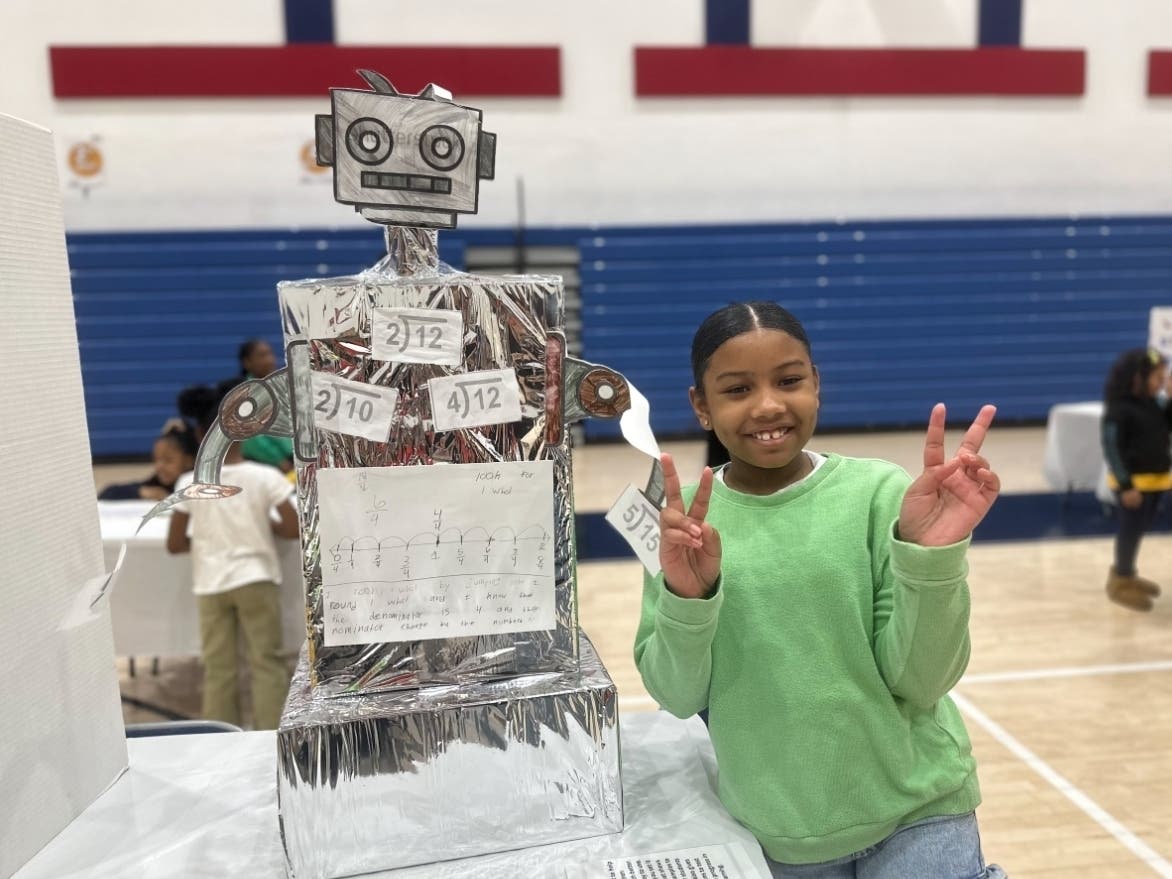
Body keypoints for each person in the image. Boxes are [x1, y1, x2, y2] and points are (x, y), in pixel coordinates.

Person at [634, 301, 1006, 878]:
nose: (768, 405)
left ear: (817, 384)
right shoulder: (685, 531)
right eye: (737, 390)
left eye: (789, 381)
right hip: (780, 831)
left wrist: (931, 559)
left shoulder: (879, 491)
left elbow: (923, 679)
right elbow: (679, 697)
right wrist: (688, 599)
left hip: (918, 807)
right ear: (701, 407)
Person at [167, 382, 298, 729]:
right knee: (266, 662)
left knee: (218, 667)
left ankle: (219, 736)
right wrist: (264, 529)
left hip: (210, 583)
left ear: (200, 436)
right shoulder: (264, 476)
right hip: (256, 577)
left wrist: (209, 543)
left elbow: (175, 543)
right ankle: (271, 735)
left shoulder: (188, 481)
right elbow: (292, 527)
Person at [1100, 347, 1170, 612]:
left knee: (1142, 527)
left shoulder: (1156, 404)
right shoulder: (1119, 409)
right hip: (1133, 484)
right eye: (1157, 377)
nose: (1162, 382)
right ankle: (1120, 579)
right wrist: (1126, 484)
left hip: (1157, 480)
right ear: (1136, 378)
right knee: (1130, 530)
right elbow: (1112, 448)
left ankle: (1128, 573)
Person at [235, 338, 295, 472]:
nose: (269, 360)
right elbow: (251, 436)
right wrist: (278, 460)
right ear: (247, 362)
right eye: (262, 356)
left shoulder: (281, 387)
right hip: (266, 465)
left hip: (293, 460)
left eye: (270, 354)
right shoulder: (244, 394)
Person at [97, 423, 198, 501]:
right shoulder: (157, 485)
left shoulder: (198, 488)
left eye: (168, 460)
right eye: (156, 460)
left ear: (189, 461)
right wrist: (141, 492)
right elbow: (107, 493)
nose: (159, 466)